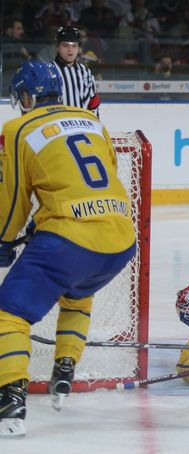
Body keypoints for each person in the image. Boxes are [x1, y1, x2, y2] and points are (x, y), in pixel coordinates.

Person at [0, 60, 137, 438]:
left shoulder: (16, 128)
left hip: (69, 239)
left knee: (8, 314)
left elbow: (13, 200)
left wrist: (5, 240)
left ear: (26, 96)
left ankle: (10, 399)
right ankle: (64, 369)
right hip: (120, 238)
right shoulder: (93, 121)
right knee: (78, 295)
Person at [52, 26, 101, 117]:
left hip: (82, 128)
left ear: (79, 48)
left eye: (74, 46)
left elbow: (93, 104)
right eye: (65, 45)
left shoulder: (86, 73)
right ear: (57, 47)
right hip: (56, 128)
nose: (70, 50)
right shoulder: (48, 72)